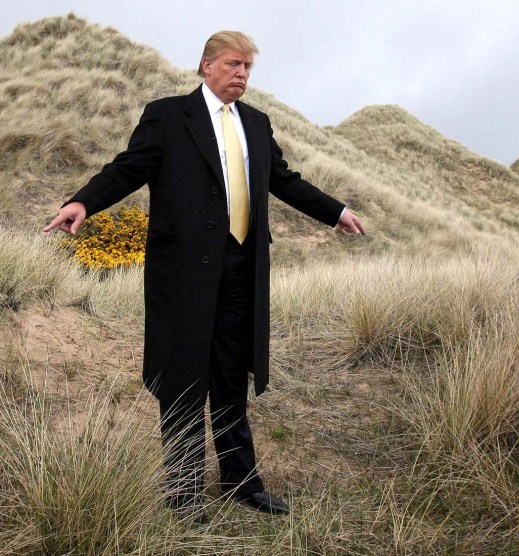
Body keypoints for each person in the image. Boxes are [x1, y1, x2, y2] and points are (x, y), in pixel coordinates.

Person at [43, 30, 365, 523]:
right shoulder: (169, 116)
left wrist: (335, 211)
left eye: (248, 68)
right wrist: (84, 200)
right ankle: (185, 491)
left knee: (232, 375)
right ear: (206, 65)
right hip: (184, 274)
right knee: (183, 377)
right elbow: (128, 168)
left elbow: (282, 180)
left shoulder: (256, 123)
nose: (242, 74)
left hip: (242, 268)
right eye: (234, 64)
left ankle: (241, 481)